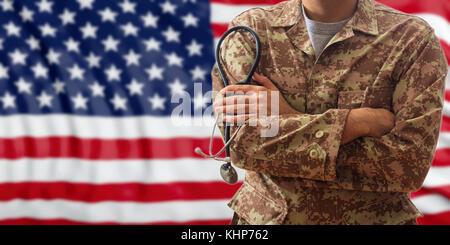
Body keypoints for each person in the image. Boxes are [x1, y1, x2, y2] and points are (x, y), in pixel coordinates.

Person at [211, 0, 449, 225]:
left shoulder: (411, 39)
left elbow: (408, 167)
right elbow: (242, 145)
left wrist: (285, 115)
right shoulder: (249, 33)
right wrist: (356, 123)